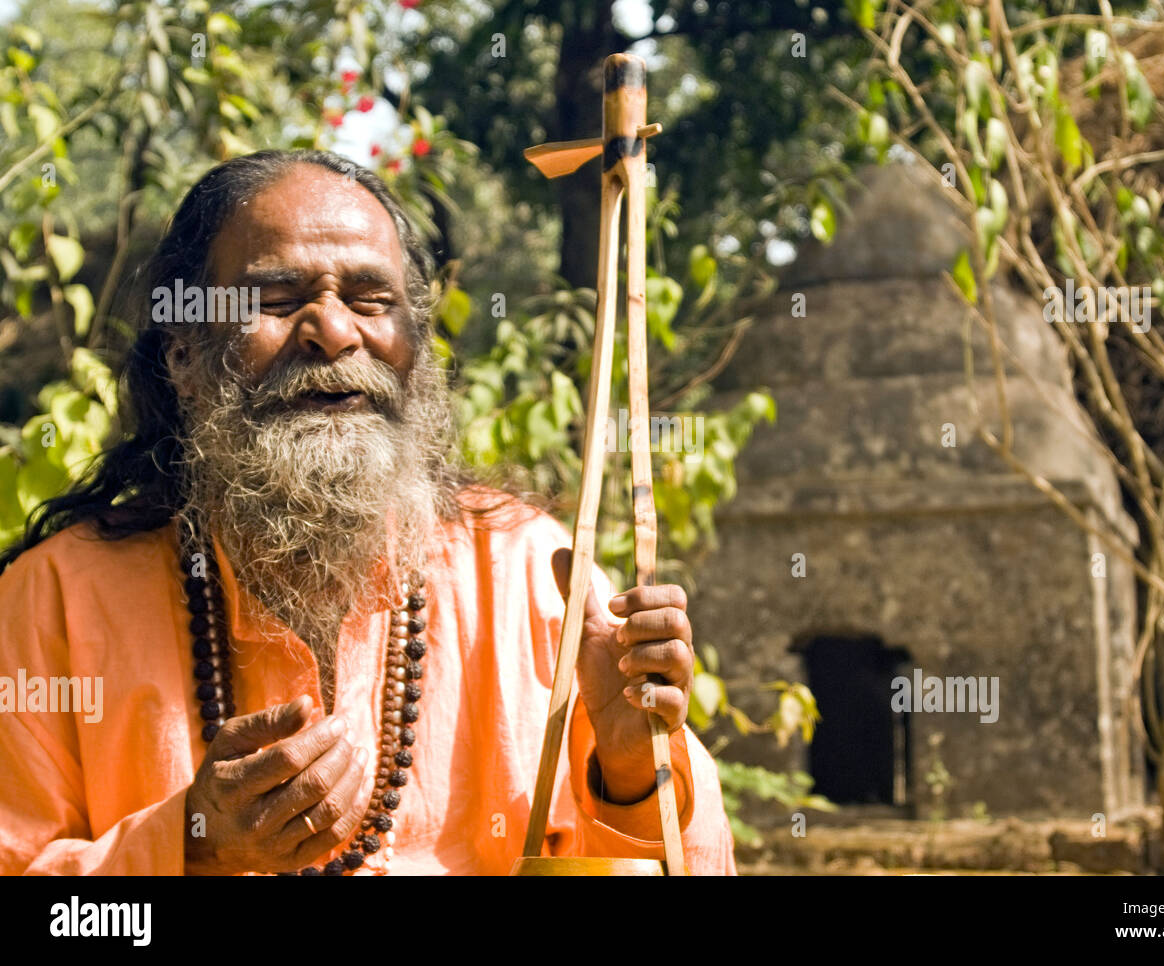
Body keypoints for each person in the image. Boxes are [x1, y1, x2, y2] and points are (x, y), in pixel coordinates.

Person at [0, 149, 736, 875]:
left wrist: (633, 775)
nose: (335, 333)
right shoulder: (54, 605)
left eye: (370, 301)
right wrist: (189, 843)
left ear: (415, 349)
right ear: (186, 356)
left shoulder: (532, 577)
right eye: (279, 301)